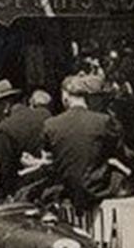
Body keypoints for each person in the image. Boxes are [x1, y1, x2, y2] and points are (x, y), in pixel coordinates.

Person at [41, 74, 125, 212]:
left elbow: (49, 163)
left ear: (65, 97)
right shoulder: (104, 121)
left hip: (67, 192)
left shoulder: (50, 125)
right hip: (98, 191)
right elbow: (119, 154)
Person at [0, 80, 52, 200]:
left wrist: (1, 194)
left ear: (5, 106)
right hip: (51, 186)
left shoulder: (6, 127)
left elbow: (5, 170)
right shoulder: (45, 116)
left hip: (27, 191)